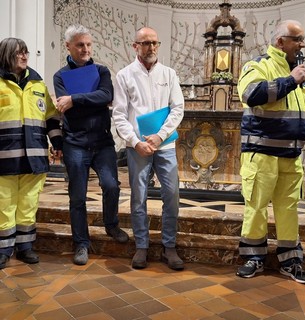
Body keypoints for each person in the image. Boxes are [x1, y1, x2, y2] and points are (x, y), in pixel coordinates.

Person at [236, 20, 305, 284]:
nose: (302, 44)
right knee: (256, 208)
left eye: (302, 39)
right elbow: (251, 93)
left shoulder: (301, 76)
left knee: (289, 210)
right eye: (297, 39)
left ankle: (291, 260)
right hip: (261, 156)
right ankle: (254, 257)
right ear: (280, 42)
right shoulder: (258, 65)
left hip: (291, 159)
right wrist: (289, 81)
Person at [53, 24, 129, 266]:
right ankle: (81, 244)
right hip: (74, 143)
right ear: (68, 46)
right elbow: (66, 109)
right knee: (77, 197)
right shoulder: (60, 76)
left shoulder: (101, 70)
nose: (85, 49)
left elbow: (106, 96)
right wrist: (88, 101)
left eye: (88, 44)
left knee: (111, 186)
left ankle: (111, 225)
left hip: (102, 142)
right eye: (80, 45)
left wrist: (75, 99)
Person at [113, 27, 184, 270]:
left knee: (172, 195)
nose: (151, 47)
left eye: (155, 43)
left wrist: (160, 136)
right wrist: (136, 142)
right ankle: (141, 245)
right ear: (135, 46)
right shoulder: (124, 75)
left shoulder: (169, 73)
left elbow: (178, 108)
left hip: (165, 145)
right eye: (145, 43)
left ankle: (169, 245)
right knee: (138, 197)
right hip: (138, 147)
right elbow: (120, 115)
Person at [0, 38, 63, 269]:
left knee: (28, 203)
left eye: (26, 52)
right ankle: (4, 248)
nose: (25, 56)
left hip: (35, 156)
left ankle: (25, 247)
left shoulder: (38, 84)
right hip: (4, 157)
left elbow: (51, 117)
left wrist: (57, 141)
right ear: (7, 55)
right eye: (19, 53)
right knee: (4, 204)